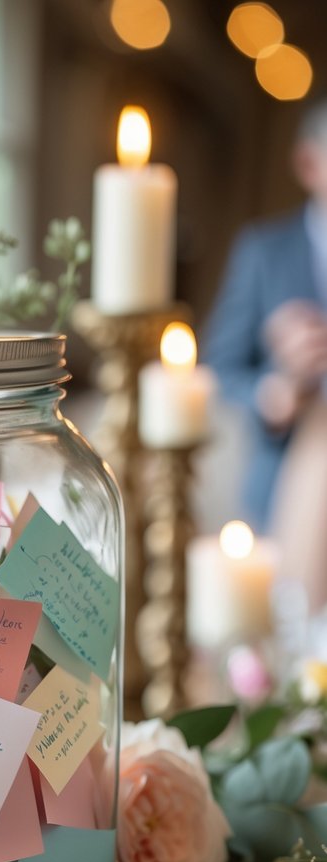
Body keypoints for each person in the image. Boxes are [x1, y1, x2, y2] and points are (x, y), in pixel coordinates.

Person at [202, 97, 327, 556]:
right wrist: (272, 394)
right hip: (286, 495)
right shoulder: (263, 252)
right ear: (309, 164)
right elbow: (217, 368)